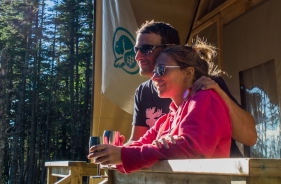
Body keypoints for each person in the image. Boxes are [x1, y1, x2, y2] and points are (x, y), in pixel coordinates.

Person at [88, 41, 232, 173]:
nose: (154, 77)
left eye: (161, 69)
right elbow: (141, 145)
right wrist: (114, 153)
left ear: (188, 73)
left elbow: (191, 149)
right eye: (155, 71)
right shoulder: (167, 119)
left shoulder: (206, 99)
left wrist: (123, 154)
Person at [130, 21, 257, 156]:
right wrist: (112, 154)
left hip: (221, 174)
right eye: (136, 49)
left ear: (170, 48)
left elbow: (250, 137)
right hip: (176, 175)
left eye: (146, 49)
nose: (138, 56)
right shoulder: (143, 91)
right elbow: (137, 142)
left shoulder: (206, 84)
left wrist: (221, 95)